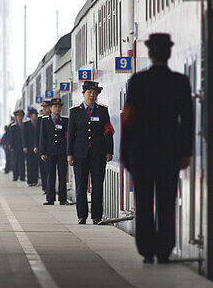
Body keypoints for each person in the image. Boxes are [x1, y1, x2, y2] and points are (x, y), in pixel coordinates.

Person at [119, 33, 195, 264]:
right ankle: (164, 250)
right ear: (169, 54)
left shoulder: (137, 82)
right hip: (169, 153)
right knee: (166, 201)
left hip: (141, 153)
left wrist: (124, 153)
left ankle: (146, 250)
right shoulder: (180, 82)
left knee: (143, 202)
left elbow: (128, 120)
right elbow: (188, 121)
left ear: (150, 54)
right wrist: (185, 152)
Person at [67, 81, 114, 225]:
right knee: (81, 185)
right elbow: (70, 134)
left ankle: (96, 216)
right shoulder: (75, 111)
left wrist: (109, 151)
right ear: (83, 94)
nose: (92, 95)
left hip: (98, 154)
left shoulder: (102, 111)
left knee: (97, 185)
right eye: (89, 92)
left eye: (94, 93)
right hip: (80, 154)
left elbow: (108, 132)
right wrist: (69, 154)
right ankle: (82, 215)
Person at [39, 98, 70, 206]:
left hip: (62, 152)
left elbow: (68, 137)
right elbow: (42, 137)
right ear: (50, 108)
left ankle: (62, 199)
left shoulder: (65, 121)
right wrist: (42, 152)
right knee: (50, 175)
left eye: (59, 106)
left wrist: (68, 151)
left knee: (62, 176)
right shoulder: (45, 121)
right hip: (50, 152)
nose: (57, 108)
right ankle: (50, 198)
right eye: (55, 106)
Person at [22, 108, 40, 187]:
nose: (35, 116)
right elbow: (24, 136)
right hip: (29, 147)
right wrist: (24, 146)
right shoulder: (26, 124)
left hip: (37, 147)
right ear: (30, 115)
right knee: (29, 164)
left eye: (36, 114)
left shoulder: (39, 123)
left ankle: (35, 181)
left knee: (36, 164)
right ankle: (30, 180)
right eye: (34, 114)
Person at [9, 110, 26, 181]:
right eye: (18, 116)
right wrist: (11, 146)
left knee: (22, 162)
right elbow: (11, 137)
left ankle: (22, 176)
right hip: (15, 147)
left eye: (21, 116)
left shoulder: (25, 125)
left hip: (23, 146)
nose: (20, 117)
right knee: (15, 161)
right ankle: (15, 176)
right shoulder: (13, 126)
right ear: (16, 117)